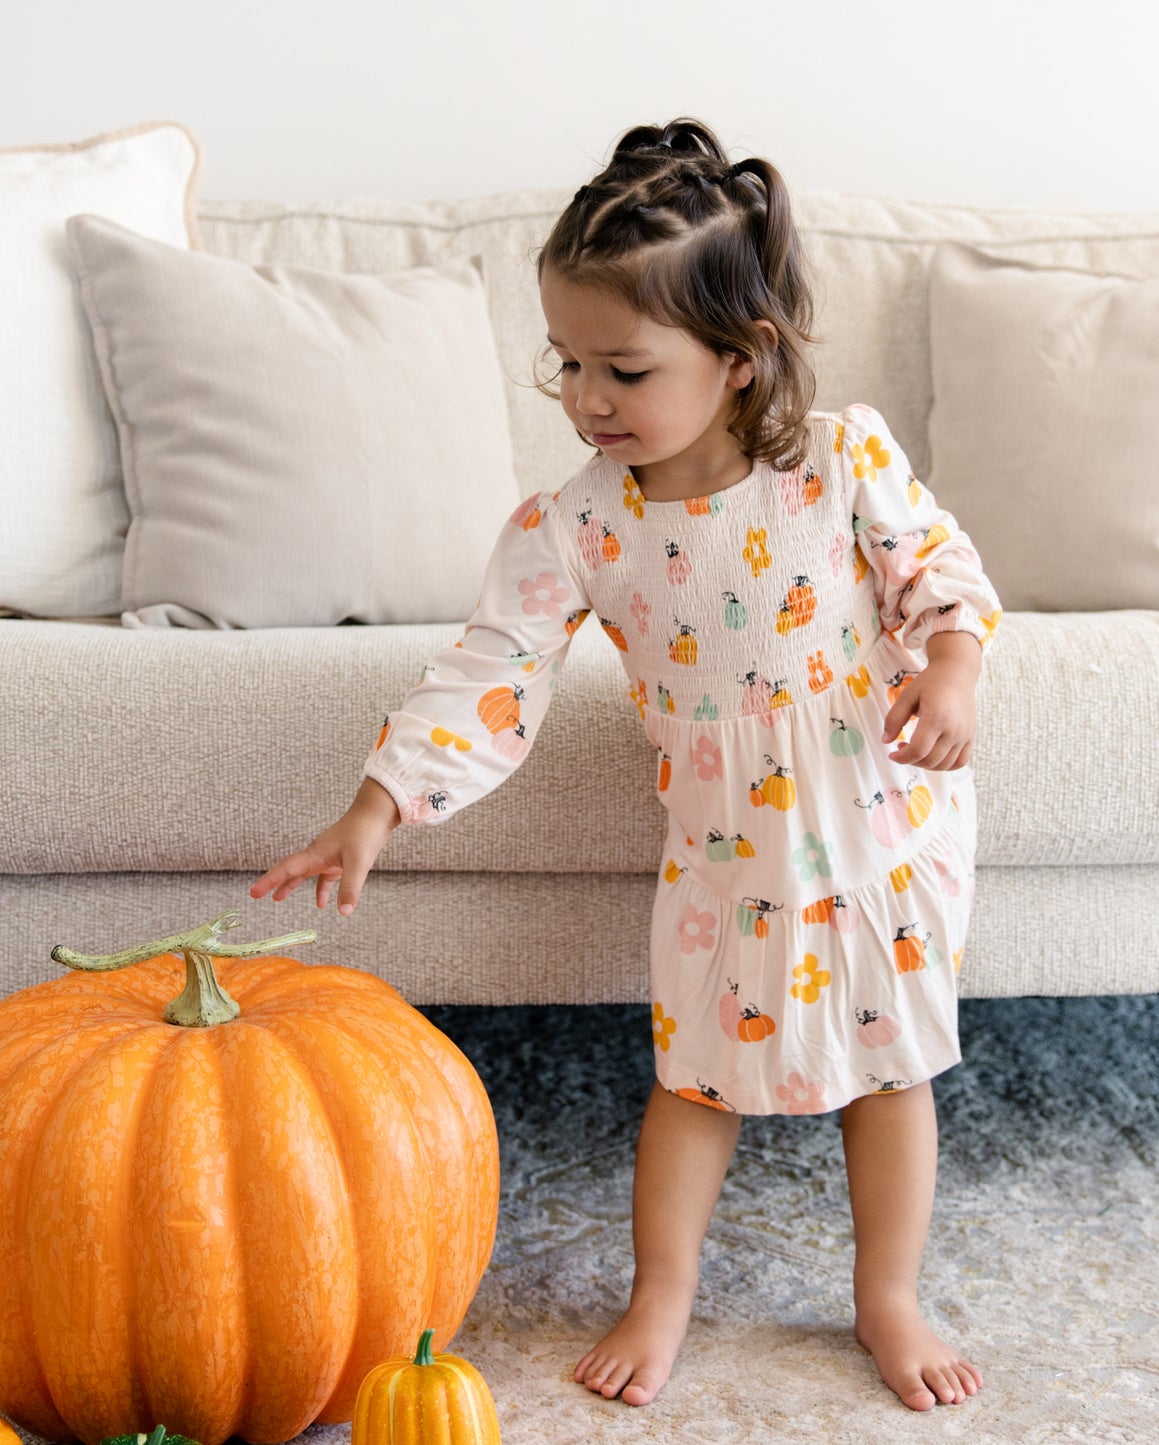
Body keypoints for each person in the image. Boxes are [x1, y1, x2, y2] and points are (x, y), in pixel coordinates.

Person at [250, 116, 1003, 1413]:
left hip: (875, 815)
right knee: (693, 1072)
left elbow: (940, 569)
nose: (586, 398)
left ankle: (886, 1293)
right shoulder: (576, 524)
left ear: (737, 358)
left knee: (889, 1071)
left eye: (623, 367)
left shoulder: (839, 459)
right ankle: (662, 1288)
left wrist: (950, 670)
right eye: (566, 364)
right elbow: (490, 670)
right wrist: (373, 810)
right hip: (724, 844)